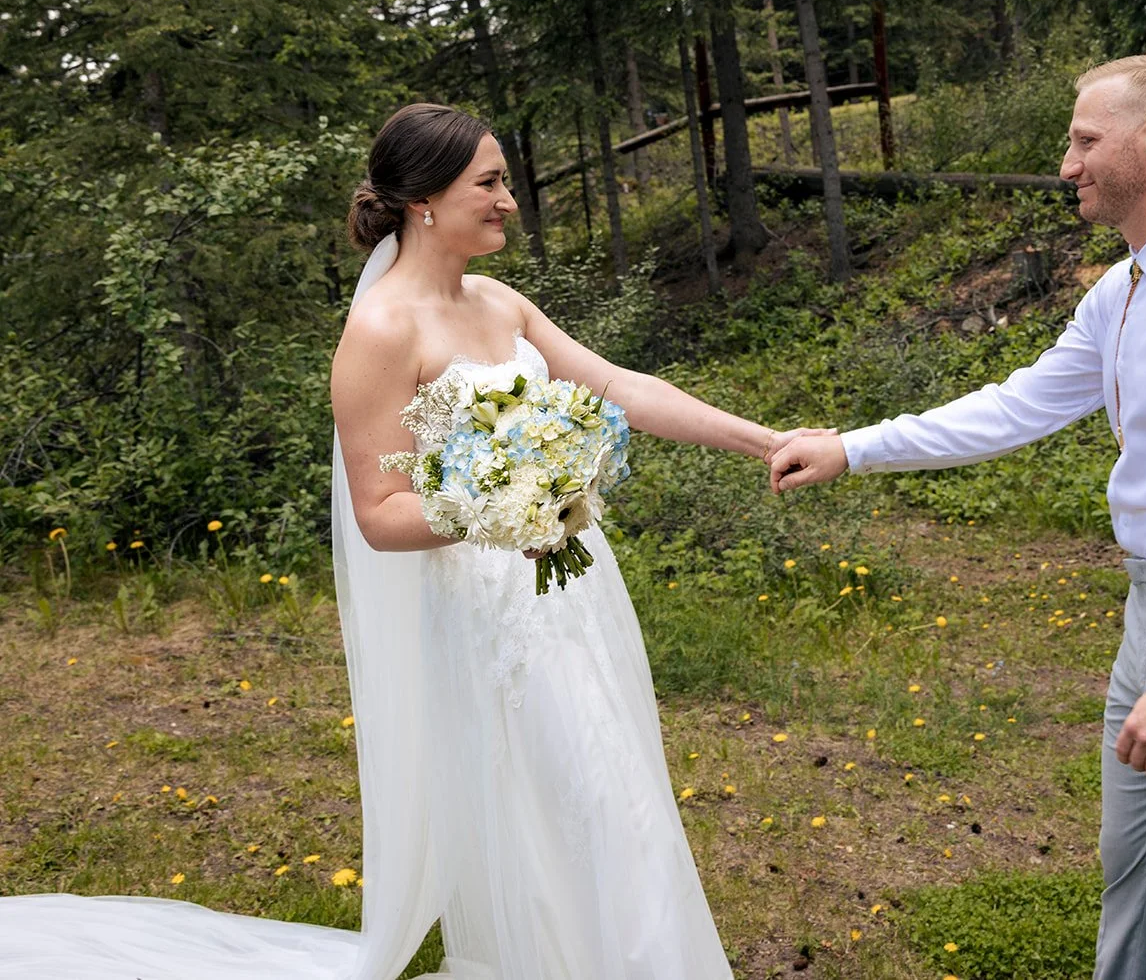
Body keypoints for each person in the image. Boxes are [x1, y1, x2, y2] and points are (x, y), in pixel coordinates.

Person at [0, 103, 822, 979]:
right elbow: (381, 512)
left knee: (615, 788)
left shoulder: (502, 303)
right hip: (487, 615)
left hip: (572, 589)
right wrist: (504, 505)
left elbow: (622, 385)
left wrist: (765, 440)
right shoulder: (383, 330)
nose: (510, 200)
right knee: (581, 802)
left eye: (504, 180)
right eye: (491, 182)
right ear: (425, 200)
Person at [768, 55, 1146, 980]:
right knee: (1132, 898)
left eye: (1084, 140)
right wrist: (854, 445)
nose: (1067, 164)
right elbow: (1017, 404)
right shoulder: (1128, 288)